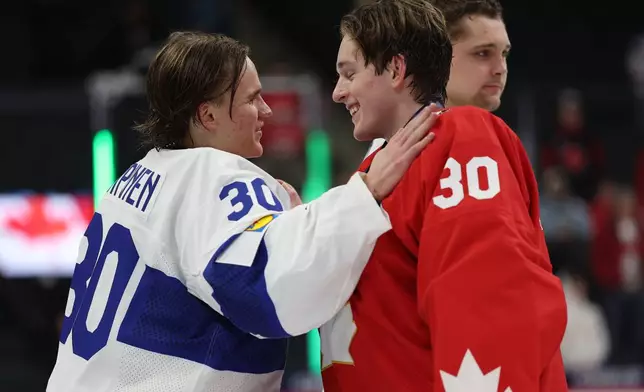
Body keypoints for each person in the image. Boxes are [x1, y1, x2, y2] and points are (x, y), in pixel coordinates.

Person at [46, 31, 439, 392]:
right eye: (252, 99)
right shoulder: (214, 175)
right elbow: (272, 292)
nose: (266, 110)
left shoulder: (135, 177)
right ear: (208, 116)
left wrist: (300, 225)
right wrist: (364, 193)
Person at [320, 1, 568, 391]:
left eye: (349, 73)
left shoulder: (462, 137)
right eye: (482, 52)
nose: (336, 92)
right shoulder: (377, 170)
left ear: (398, 69)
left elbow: (489, 306)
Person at [366, 0, 510, 155]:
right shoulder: (398, 150)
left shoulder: (505, 146)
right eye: (483, 53)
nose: (501, 69)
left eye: (504, 54)